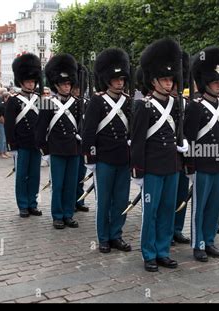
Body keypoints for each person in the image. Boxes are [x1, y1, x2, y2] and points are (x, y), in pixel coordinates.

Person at [131, 38, 183, 272]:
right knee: (150, 213)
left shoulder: (176, 104)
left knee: (166, 211)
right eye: (164, 79)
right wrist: (138, 171)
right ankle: (149, 253)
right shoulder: (144, 106)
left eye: (171, 79)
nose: (169, 83)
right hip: (152, 168)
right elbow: (138, 141)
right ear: (153, 81)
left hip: (171, 167)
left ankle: (163, 251)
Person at [184, 46, 219, 263]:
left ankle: (210, 239)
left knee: (214, 206)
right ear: (205, 83)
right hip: (201, 163)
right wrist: (190, 166)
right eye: (215, 82)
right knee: (200, 207)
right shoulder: (195, 106)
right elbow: (189, 137)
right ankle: (199, 243)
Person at [82, 48, 133, 253]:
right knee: (104, 200)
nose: (120, 82)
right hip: (103, 158)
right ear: (107, 80)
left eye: (122, 79)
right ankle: (103, 237)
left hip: (123, 158)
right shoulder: (97, 100)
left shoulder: (128, 101)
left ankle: (116, 235)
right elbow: (89, 131)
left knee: (121, 199)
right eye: (116, 79)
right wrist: (90, 157)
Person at [36, 54, 81, 229]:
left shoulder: (77, 104)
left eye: (69, 84)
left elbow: (82, 127)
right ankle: (57, 215)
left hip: (73, 149)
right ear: (56, 85)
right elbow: (40, 131)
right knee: (59, 185)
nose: (66, 87)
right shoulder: (47, 103)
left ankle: (68, 214)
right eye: (63, 84)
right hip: (56, 149)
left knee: (71, 185)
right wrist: (45, 152)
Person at [4, 53, 43, 218]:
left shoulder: (40, 98)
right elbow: (9, 124)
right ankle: (23, 205)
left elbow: (44, 121)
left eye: (33, 81)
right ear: (21, 82)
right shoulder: (13, 100)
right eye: (28, 81)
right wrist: (11, 145)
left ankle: (32, 203)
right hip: (21, 144)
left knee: (35, 176)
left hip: (35, 144)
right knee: (21, 176)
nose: (31, 84)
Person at [171, 51, 191, 245]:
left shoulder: (186, 103)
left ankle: (177, 228)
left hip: (185, 156)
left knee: (181, 194)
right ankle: (167, 230)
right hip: (168, 156)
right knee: (167, 198)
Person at [72, 63, 89, 213]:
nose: (77, 91)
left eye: (79, 88)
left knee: (81, 176)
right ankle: (70, 202)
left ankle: (79, 200)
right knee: (71, 177)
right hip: (70, 144)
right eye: (75, 88)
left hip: (83, 145)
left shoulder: (87, 103)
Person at [0, 91, 10, 158]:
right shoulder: (1, 105)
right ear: (5, 98)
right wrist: (3, 121)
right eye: (8, 98)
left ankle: (5, 151)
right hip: (1, 123)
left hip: (6, 123)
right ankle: (1, 153)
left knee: (6, 138)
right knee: (2, 138)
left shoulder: (7, 104)